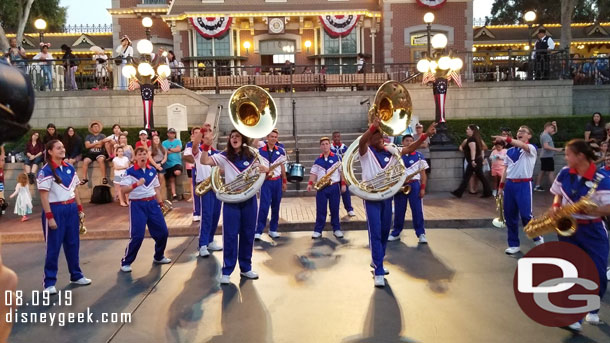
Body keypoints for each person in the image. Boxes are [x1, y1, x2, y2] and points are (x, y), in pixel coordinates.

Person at [357, 119, 436, 287]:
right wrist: (372, 128)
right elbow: (363, 140)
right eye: (377, 137)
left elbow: (410, 148)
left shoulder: (391, 151)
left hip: (387, 196)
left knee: (385, 230)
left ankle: (378, 259)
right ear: (371, 138)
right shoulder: (365, 152)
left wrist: (425, 136)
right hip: (371, 197)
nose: (381, 140)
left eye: (382, 137)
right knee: (376, 231)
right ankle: (378, 269)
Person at [549, 139, 610, 330]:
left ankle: (592, 308)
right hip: (568, 229)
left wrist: (589, 211)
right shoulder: (565, 173)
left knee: (598, 273)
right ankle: (575, 315)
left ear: (580, 156)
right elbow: (557, 193)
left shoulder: (602, 178)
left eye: (568, 154)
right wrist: (556, 206)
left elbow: (608, 208)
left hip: (592, 230)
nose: (565, 157)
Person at [199, 129, 269, 284]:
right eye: (232, 137)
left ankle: (246, 268)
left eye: (237, 136)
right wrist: (206, 146)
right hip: (231, 201)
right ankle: (227, 271)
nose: (234, 139)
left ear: (242, 138)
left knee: (248, 234)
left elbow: (265, 169)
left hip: (249, 200)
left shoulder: (253, 155)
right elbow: (204, 161)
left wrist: (265, 170)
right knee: (230, 236)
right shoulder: (224, 156)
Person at [37, 139, 91, 294]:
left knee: (73, 244)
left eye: (63, 147)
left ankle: (76, 275)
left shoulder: (69, 168)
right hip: (55, 210)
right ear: (50, 151)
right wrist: (50, 217)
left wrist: (80, 209)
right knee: (53, 248)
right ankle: (49, 283)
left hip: (71, 209)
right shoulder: (45, 171)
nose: (62, 149)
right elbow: (44, 197)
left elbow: (75, 191)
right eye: (58, 148)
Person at [492, 126, 543, 255]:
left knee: (526, 215)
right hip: (510, 185)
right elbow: (506, 170)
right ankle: (514, 244)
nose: (519, 133)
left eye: (523, 131)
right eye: (518, 131)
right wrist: (501, 186)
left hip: (524, 184)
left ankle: (537, 237)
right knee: (510, 216)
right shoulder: (509, 152)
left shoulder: (531, 148)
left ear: (529, 136)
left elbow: (522, 145)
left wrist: (506, 138)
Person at [119, 146, 171, 272]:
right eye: (140, 154)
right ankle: (126, 262)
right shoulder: (129, 172)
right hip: (137, 205)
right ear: (135, 157)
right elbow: (123, 190)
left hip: (152, 204)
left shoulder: (152, 170)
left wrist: (160, 203)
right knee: (137, 236)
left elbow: (157, 188)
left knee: (163, 232)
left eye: (144, 154)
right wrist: (136, 184)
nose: (142, 156)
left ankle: (159, 256)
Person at [388, 135, 429, 243]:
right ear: (402, 142)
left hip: (414, 185)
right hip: (401, 186)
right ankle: (396, 232)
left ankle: (421, 234)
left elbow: (423, 174)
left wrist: (422, 188)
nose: (409, 143)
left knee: (417, 210)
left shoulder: (419, 156)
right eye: (407, 140)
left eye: (411, 141)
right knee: (399, 211)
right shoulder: (397, 156)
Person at [191, 126, 222, 257]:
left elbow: (222, 169)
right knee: (207, 215)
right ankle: (202, 244)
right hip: (205, 186)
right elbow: (195, 144)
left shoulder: (217, 153)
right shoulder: (198, 151)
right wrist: (203, 131)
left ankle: (210, 240)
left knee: (215, 215)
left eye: (211, 135)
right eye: (206, 136)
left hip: (216, 186)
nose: (209, 137)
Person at [306, 137, 347, 239]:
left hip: (334, 187)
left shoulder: (337, 158)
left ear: (330, 145)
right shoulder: (317, 160)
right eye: (323, 144)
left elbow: (342, 172)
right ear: (320, 147)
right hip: (321, 188)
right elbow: (313, 173)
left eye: (326, 144)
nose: (325, 146)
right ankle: (318, 230)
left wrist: (343, 184)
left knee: (334, 209)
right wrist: (310, 184)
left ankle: (336, 229)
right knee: (321, 210)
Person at [255, 129, 287, 240]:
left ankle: (273, 229)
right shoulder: (259, 151)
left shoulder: (281, 151)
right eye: (271, 136)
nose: (273, 138)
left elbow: (283, 167)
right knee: (264, 207)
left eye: (275, 137)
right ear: (267, 138)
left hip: (277, 181)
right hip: (266, 181)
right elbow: (256, 166)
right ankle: (259, 230)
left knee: (276, 206)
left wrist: (284, 181)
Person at [451, 125, 493, 198]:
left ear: (472, 130)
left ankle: (459, 192)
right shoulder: (476, 139)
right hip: (476, 160)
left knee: (474, 176)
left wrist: (473, 160)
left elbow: (473, 150)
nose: (466, 130)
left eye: (468, 129)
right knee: (475, 176)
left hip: (474, 161)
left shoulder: (471, 139)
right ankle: (459, 192)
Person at [330, 131, 356, 216]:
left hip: (343, 172)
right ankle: (333, 210)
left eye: (338, 136)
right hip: (334, 173)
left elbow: (349, 159)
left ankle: (349, 209)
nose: (337, 138)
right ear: (333, 138)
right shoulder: (330, 148)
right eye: (335, 137)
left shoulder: (345, 147)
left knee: (346, 192)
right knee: (333, 193)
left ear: (340, 137)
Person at [535, 121, 563, 191]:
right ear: (547, 127)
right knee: (551, 172)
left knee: (543, 171)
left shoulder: (545, 134)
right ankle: (555, 189)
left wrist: (555, 125)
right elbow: (546, 146)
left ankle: (537, 186)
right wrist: (557, 149)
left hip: (545, 157)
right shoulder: (545, 135)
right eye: (552, 128)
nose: (553, 129)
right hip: (547, 157)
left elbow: (555, 132)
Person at [183, 127, 202, 221]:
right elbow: (187, 156)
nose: (198, 134)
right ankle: (197, 213)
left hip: (206, 170)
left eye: (199, 132)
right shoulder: (189, 144)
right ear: (193, 134)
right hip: (196, 169)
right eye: (196, 133)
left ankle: (205, 212)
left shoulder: (205, 144)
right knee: (196, 191)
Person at [80, 121, 108, 185]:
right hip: (91, 154)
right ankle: (84, 178)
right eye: (94, 127)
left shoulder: (102, 136)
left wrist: (92, 144)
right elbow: (87, 146)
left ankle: (104, 178)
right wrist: (97, 143)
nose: (96, 128)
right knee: (85, 161)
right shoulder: (88, 136)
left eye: (97, 127)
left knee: (101, 160)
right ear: (92, 128)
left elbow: (101, 145)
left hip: (100, 153)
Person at [162, 128, 183, 201]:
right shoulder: (164, 143)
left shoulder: (178, 141)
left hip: (177, 163)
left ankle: (176, 194)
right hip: (168, 164)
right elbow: (164, 151)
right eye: (171, 133)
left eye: (173, 133)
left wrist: (170, 150)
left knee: (177, 172)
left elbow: (179, 149)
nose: (172, 134)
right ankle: (174, 195)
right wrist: (173, 150)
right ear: (168, 134)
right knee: (171, 179)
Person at [149, 135, 167, 200]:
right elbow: (150, 157)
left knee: (160, 180)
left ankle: (159, 196)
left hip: (161, 163)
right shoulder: (150, 148)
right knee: (154, 180)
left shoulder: (163, 148)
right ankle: (154, 196)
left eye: (157, 139)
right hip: (153, 164)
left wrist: (160, 164)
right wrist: (156, 165)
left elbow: (165, 157)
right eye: (155, 139)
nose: (156, 140)